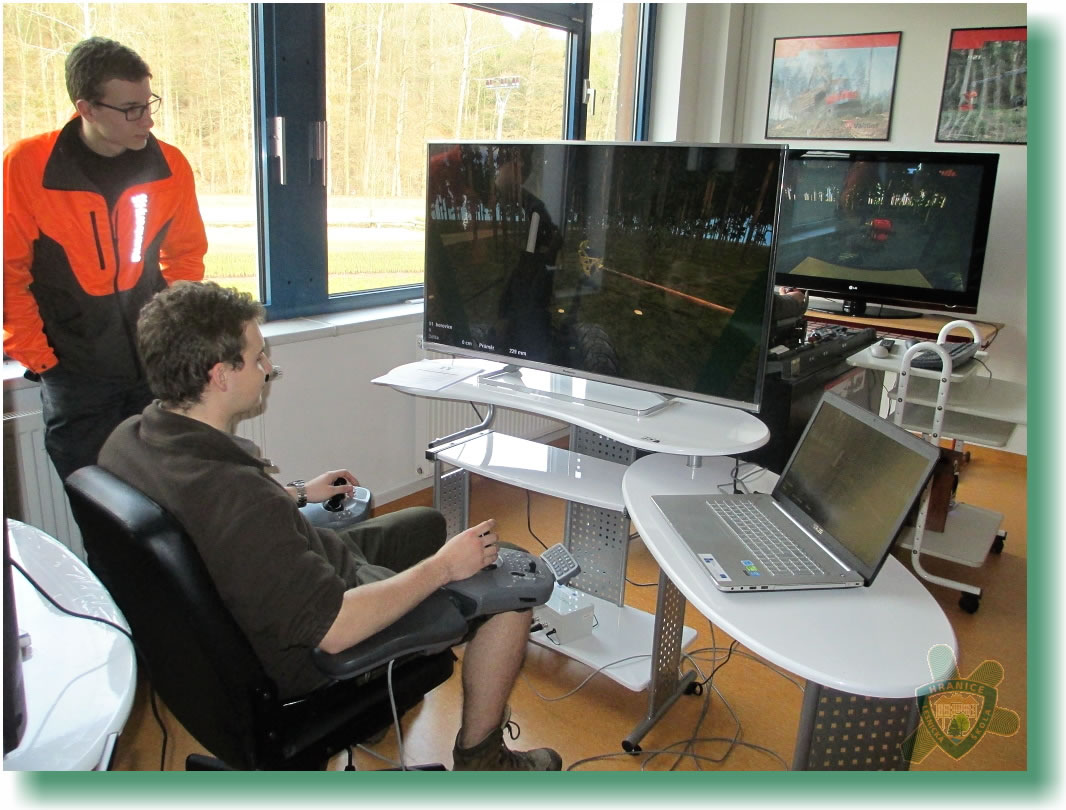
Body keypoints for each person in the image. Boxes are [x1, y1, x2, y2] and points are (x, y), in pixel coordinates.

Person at [97, 281, 562, 771]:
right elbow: (336, 630)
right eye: (257, 358)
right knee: (510, 579)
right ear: (220, 375)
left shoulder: (129, 442)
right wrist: (444, 568)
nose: (268, 368)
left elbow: (216, 517)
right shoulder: (240, 500)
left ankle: (377, 710)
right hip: (317, 654)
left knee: (424, 523)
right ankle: (482, 760)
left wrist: (298, 494)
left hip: (244, 628)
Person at [3, 36, 207, 482]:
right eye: (131, 109)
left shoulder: (170, 165)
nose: (147, 120)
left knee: (168, 497)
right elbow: (7, 274)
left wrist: (175, 339)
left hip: (153, 367)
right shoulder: (27, 165)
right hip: (74, 374)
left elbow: (186, 258)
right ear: (87, 109)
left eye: (148, 103)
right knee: (99, 502)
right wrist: (42, 359)